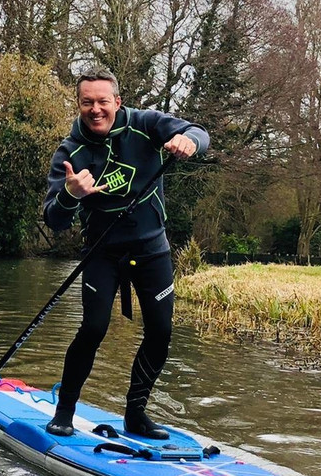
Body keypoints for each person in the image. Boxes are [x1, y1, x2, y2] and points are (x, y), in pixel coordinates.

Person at [43, 67, 208, 439]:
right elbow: (53, 219)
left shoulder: (145, 124)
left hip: (152, 251)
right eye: (88, 102)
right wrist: (71, 194)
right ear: (79, 104)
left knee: (162, 331)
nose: (96, 109)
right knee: (93, 328)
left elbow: (199, 132)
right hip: (103, 253)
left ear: (117, 101)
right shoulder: (71, 152)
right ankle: (64, 411)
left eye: (103, 101)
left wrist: (189, 142)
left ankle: (136, 414)